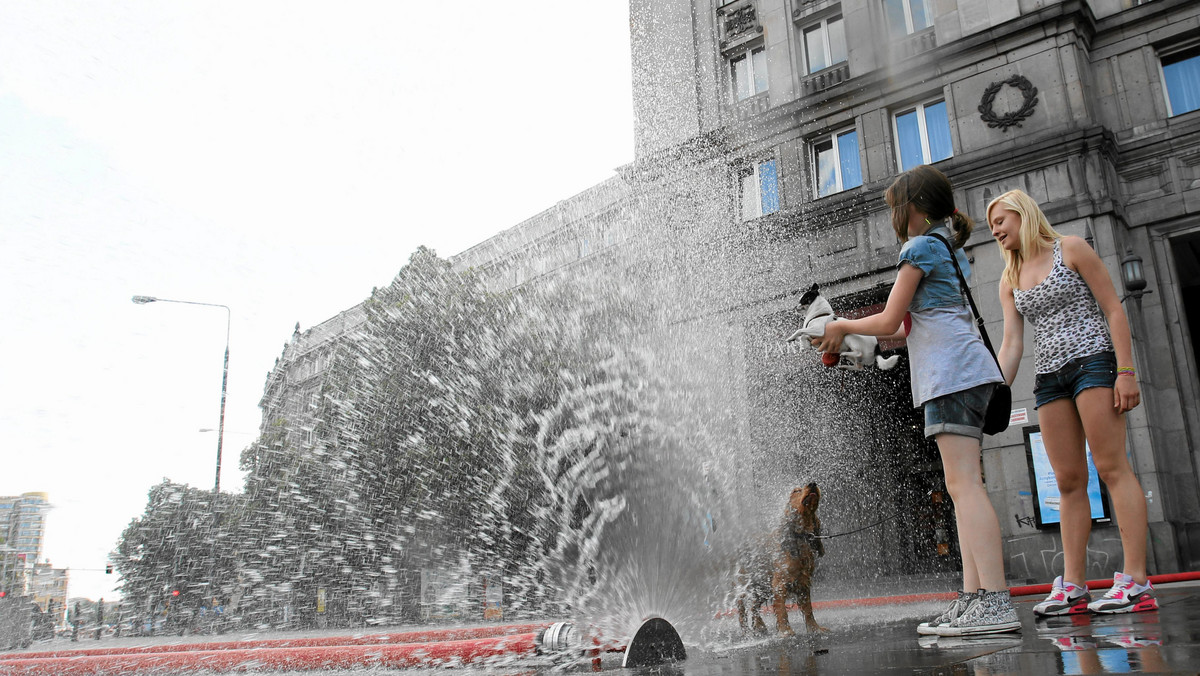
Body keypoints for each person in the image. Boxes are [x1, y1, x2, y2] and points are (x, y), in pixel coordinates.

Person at [813, 164, 1017, 636]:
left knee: (965, 487)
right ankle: (972, 599)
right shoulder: (948, 245)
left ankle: (996, 601)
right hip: (963, 371)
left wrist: (841, 326)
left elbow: (888, 320)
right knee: (961, 486)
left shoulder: (921, 245)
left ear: (916, 208)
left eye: (896, 208)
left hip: (951, 375)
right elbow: (910, 325)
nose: (894, 217)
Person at [988, 189, 1154, 615]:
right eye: (991, 226)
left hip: (1094, 363)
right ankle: (1074, 588)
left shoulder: (1072, 248)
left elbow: (1114, 309)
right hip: (1049, 379)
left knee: (1112, 467)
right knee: (1067, 482)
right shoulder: (1009, 278)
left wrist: (1126, 371)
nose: (995, 230)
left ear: (1023, 215)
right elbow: (1011, 344)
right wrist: (993, 393)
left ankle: (1136, 582)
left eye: (1000, 220)